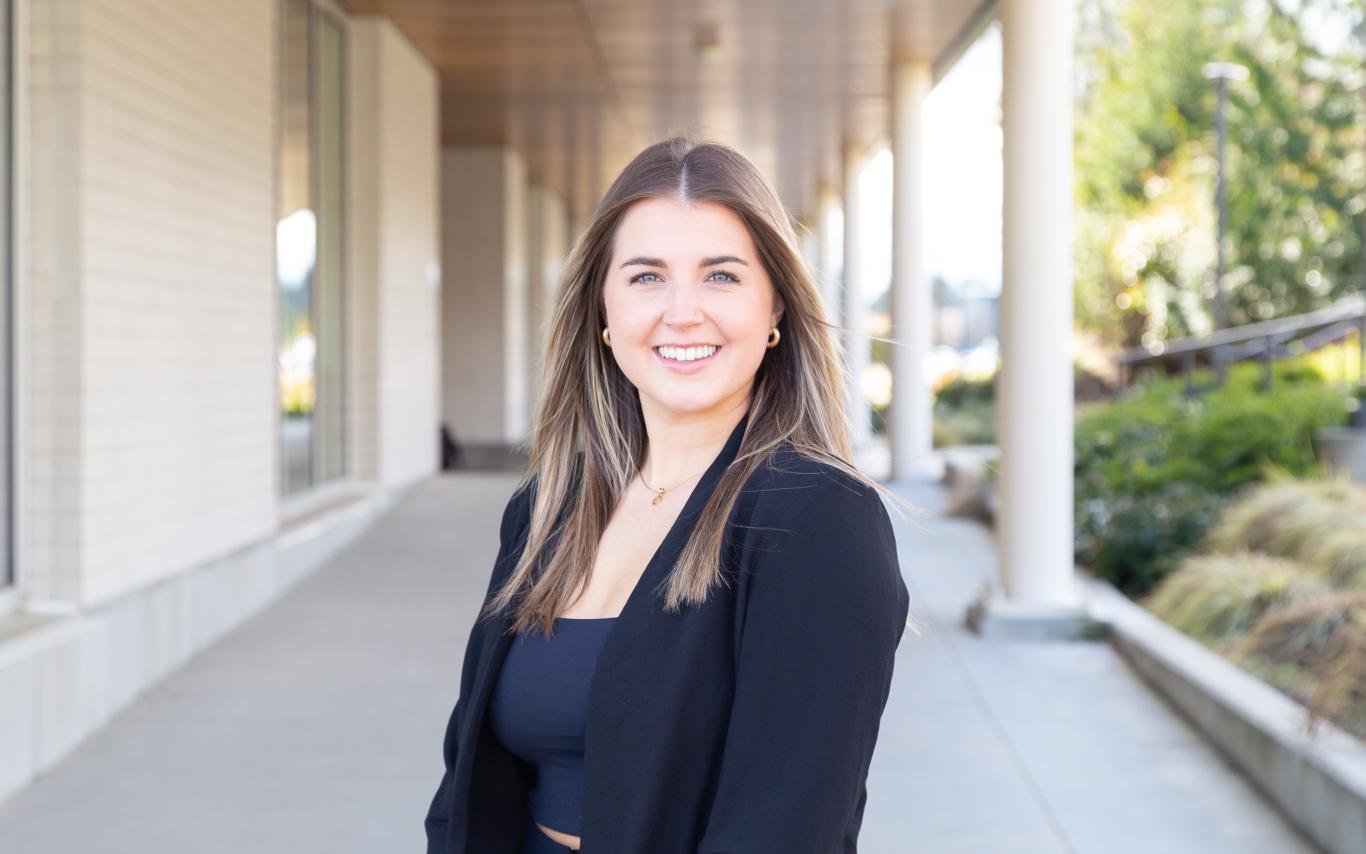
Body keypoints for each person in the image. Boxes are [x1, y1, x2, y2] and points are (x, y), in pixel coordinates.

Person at [424, 135, 920, 854]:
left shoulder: (819, 521)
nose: (681, 311)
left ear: (775, 306)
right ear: (602, 308)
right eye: (646, 277)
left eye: (721, 276)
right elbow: (464, 786)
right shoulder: (545, 511)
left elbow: (782, 832)